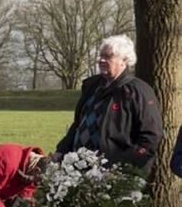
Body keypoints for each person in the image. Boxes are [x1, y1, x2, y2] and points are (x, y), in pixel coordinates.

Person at [55, 35, 163, 175]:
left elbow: (151, 135)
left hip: (113, 173)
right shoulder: (92, 86)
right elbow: (78, 123)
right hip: (78, 169)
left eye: (108, 57)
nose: (101, 60)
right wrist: (62, 150)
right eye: (101, 56)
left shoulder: (138, 91)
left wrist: (125, 167)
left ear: (124, 61)